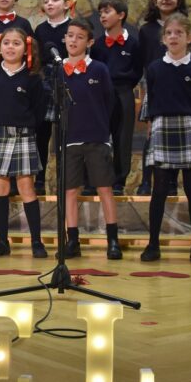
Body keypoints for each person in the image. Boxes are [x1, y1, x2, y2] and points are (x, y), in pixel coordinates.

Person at [142, 14, 191, 264]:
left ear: (189, 37)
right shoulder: (154, 69)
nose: (174, 37)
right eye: (169, 33)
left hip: (190, 126)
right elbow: (151, 99)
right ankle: (153, 244)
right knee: (159, 189)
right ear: (163, 39)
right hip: (163, 127)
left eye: (179, 33)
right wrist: (152, 125)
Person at [0, 27, 47, 258]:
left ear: (27, 47)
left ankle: (36, 241)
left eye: (16, 43)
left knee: (27, 187)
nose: (10, 47)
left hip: (23, 135)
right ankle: (1, 241)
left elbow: (38, 111)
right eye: (6, 43)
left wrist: (23, 125)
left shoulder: (32, 78)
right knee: (0, 188)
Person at [60, 19, 123, 260]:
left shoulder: (99, 69)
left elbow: (109, 102)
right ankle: (72, 240)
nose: (73, 40)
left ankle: (112, 240)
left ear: (89, 42)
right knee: (70, 191)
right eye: (70, 35)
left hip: (97, 138)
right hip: (70, 139)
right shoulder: (58, 70)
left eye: (79, 37)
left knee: (105, 188)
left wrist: (101, 128)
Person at [137, 0, 188, 195]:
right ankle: (147, 181)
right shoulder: (147, 30)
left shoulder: (184, 28)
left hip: (178, 87)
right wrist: (145, 87)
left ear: (179, 0)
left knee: (175, 133)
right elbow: (142, 61)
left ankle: (171, 183)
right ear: (155, 0)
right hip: (154, 86)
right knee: (152, 135)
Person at [91, 0, 146, 195]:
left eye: (107, 12)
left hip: (124, 93)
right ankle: (97, 179)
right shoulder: (97, 45)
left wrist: (123, 84)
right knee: (98, 138)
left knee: (123, 138)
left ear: (121, 15)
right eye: (100, 13)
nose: (103, 16)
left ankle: (119, 181)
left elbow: (137, 70)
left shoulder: (133, 44)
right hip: (101, 95)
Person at [33, 0, 74, 196]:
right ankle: (39, 178)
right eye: (46, 1)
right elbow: (37, 57)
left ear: (66, 4)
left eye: (55, 0)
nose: (50, 4)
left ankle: (66, 178)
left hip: (68, 76)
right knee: (42, 132)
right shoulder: (40, 29)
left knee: (66, 132)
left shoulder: (72, 27)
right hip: (45, 80)